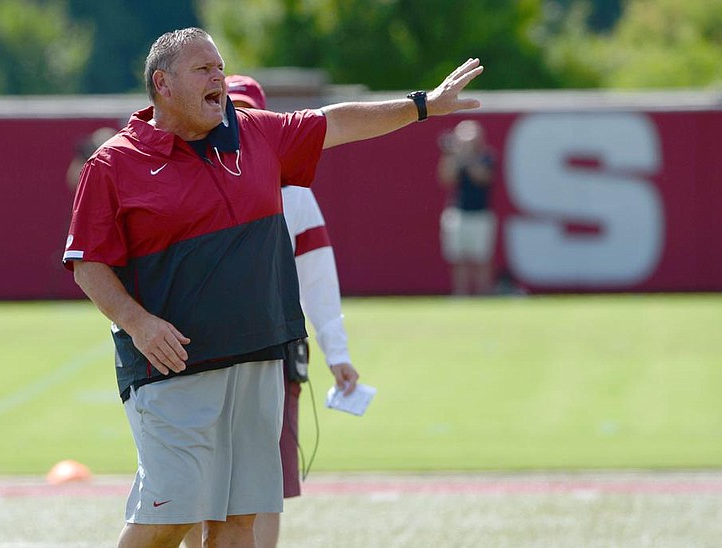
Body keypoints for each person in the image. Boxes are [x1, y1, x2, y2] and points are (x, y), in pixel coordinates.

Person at [62, 27, 483, 548]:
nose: (218, 76)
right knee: (168, 519)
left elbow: (337, 122)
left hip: (259, 360)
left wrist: (422, 105)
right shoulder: (113, 163)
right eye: (203, 70)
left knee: (239, 524)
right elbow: (88, 262)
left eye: (220, 67)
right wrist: (138, 323)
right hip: (171, 367)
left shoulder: (256, 134)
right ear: (162, 84)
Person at [225, 74, 360, 548]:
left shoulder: (296, 192)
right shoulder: (193, 179)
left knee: (265, 486)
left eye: (247, 114)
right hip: (209, 352)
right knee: (204, 485)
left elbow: (318, 277)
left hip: (275, 350)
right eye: (230, 111)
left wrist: (337, 352)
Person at [436, 119, 497, 296]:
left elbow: (482, 177)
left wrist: (466, 155)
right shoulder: (455, 157)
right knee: (459, 258)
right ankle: (461, 294)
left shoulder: (487, 156)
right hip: (458, 212)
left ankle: (484, 293)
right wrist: (449, 154)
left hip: (481, 213)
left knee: (481, 258)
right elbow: (446, 178)